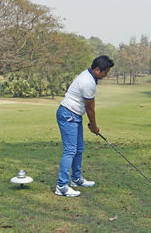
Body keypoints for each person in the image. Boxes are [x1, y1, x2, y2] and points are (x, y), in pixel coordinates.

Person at [55, 55, 114, 197]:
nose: (106, 75)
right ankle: (61, 186)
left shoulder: (88, 75)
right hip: (68, 115)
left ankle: (76, 178)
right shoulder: (88, 82)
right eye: (105, 72)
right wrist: (94, 126)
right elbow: (90, 108)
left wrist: (93, 125)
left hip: (74, 115)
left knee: (79, 148)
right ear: (97, 69)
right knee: (70, 150)